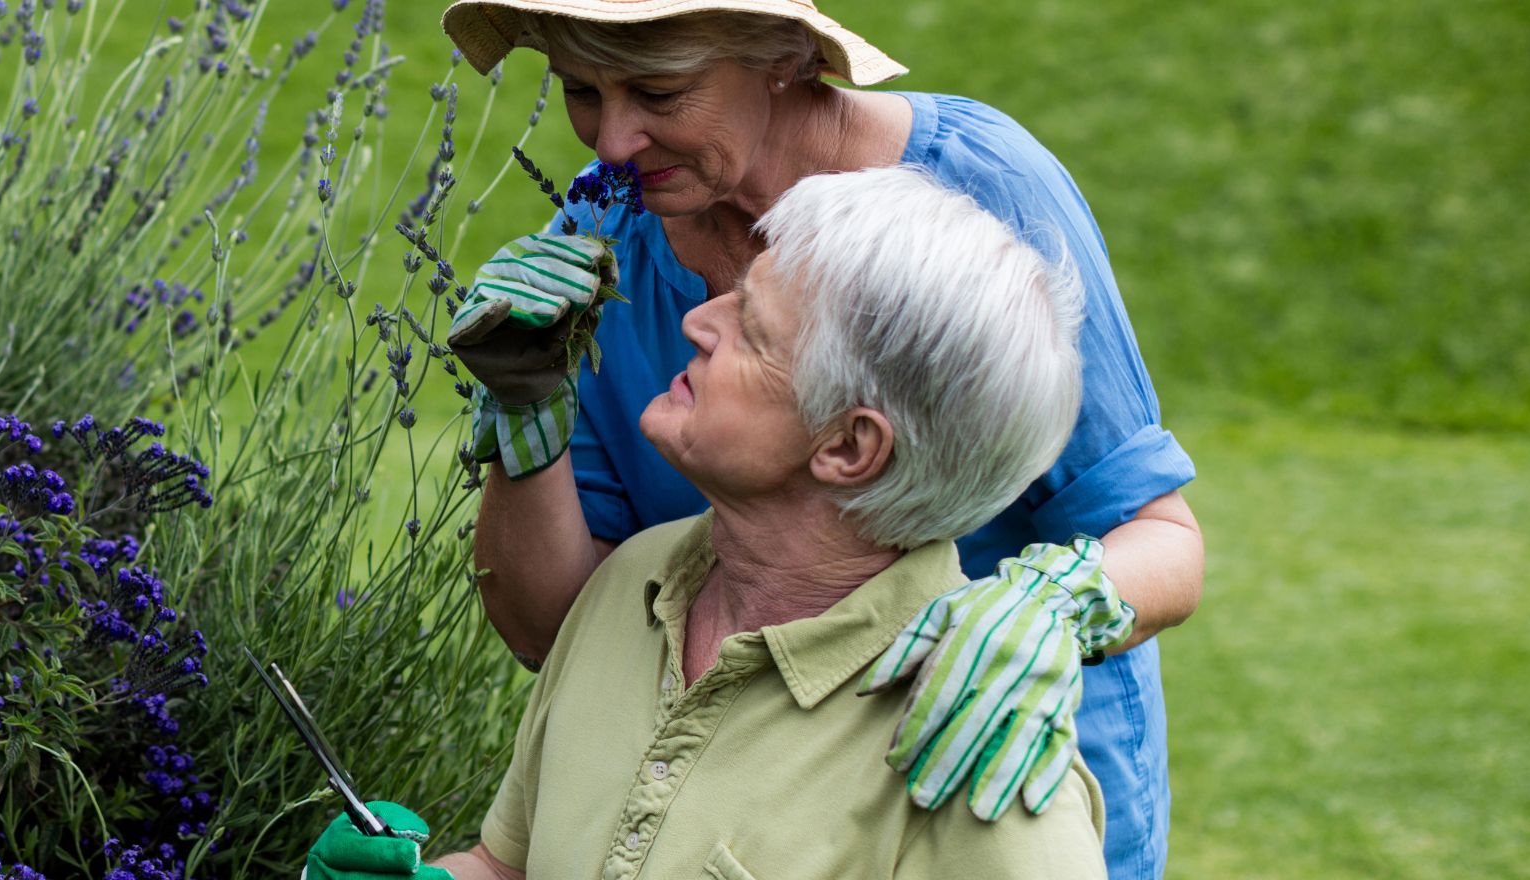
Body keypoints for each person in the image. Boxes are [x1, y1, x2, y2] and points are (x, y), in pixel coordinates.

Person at [427, 2, 1203, 877]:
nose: (611, 143)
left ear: (785, 57)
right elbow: (563, 636)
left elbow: (1161, 535)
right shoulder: (605, 233)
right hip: (729, 782)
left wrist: (1049, 606)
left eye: (660, 91)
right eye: (579, 90)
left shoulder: (980, 192)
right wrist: (525, 412)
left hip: (972, 762)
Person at [310, 165, 1120, 879]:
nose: (701, 322)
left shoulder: (978, 755)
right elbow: (511, 864)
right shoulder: (637, 578)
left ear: (847, 445)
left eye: (753, 330)